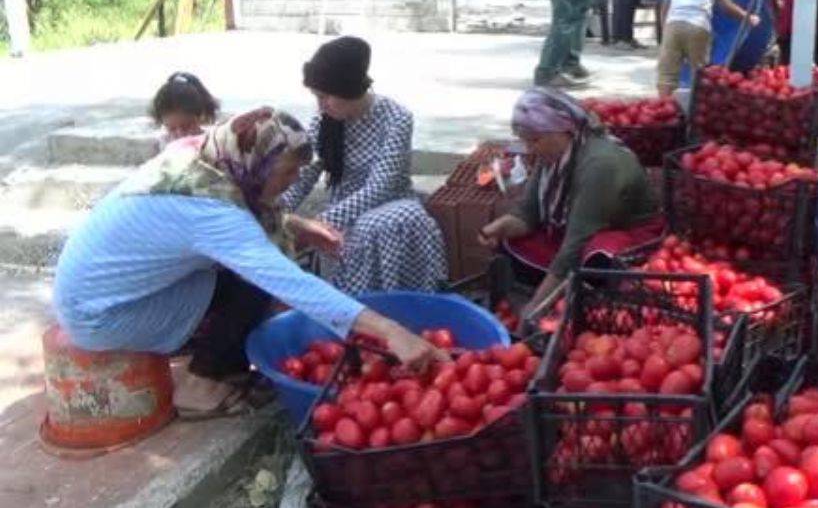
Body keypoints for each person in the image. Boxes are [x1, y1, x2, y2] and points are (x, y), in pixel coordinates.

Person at [52, 108, 445, 416]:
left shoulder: (200, 157)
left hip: (97, 292)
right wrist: (390, 331)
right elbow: (290, 283)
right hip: (103, 315)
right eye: (288, 171)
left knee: (249, 266)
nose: (293, 181)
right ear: (257, 162)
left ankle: (217, 360)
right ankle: (199, 387)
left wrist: (296, 224)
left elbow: (242, 213)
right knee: (255, 282)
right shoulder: (209, 210)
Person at [280, 37, 448, 294]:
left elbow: (380, 187)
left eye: (325, 97)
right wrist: (275, 213)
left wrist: (318, 223)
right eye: (316, 97)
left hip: (392, 205)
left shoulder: (396, 119)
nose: (320, 105)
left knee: (397, 221)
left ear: (348, 89)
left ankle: (400, 304)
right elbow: (302, 177)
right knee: (344, 235)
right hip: (343, 213)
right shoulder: (323, 123)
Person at [478, 88, 663, 309]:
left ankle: (586, 294)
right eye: (525, 141)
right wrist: (500, 227)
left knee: (596, 256)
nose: (530, 149)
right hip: (577, 231)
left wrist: (536, 306)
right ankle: (566, 288)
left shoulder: (600, 165)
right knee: (509, 244)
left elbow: (577, 243)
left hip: (626, 238)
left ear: (563, 130)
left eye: (535, 140)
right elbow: (529, 213)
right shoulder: (553, 156)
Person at [151, 72, 219, 143]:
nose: (180, 135)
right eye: (172, 129)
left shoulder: (213, 142)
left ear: (201, 117)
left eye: (187, 127)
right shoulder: (161, 143)